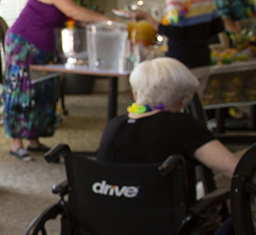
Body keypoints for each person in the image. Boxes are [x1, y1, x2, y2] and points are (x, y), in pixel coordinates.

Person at [3, 0, 117, 161]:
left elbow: (72, 18)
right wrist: (108, 19)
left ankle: (34, 140)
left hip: (46, 46)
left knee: (45, 91)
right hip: (24, 43)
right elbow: (72, 11)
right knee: (22, 91)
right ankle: (16, 143)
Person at [97, 56, 239, 180]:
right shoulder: (182, 125)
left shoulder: (113, 125)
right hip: (164, 209)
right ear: (183, 99)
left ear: (135, 94)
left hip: (113, 209)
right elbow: (234, 170)